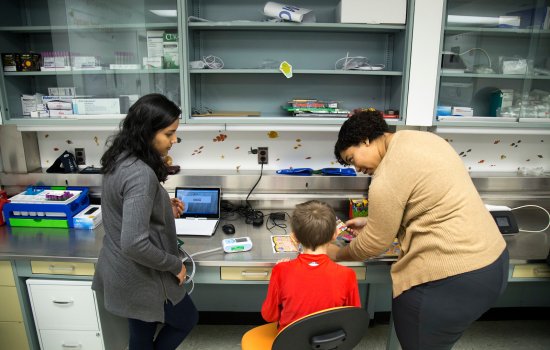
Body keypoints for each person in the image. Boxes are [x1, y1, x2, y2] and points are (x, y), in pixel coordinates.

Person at [329, 108, 509, 350]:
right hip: (493, 264)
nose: (357, 168)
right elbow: (424, 198)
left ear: (365, 140)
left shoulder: (385, 178)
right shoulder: (421, 139)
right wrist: (373, 221)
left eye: (352, 159)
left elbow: (373, 244)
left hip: (451, 278)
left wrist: (337, 254)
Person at [92, 93, 198, 350]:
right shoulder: (140, 174)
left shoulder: (121, 157)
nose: (174, 140)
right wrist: (174, 265)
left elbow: (125, 203)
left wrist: (162, 206)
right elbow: (134, 243)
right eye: (169, 134)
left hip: (122, 271)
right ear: (147, 131)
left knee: (141, 334)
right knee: (186, 319)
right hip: (142, 275)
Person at [261, 200, 361, 332]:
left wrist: (280, 272)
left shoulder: (281, 270)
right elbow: (353, 319)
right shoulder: (348, 275)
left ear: (294, 238)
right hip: (329, 343)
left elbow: (269, 316)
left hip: (289, 343)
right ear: (334, 235)